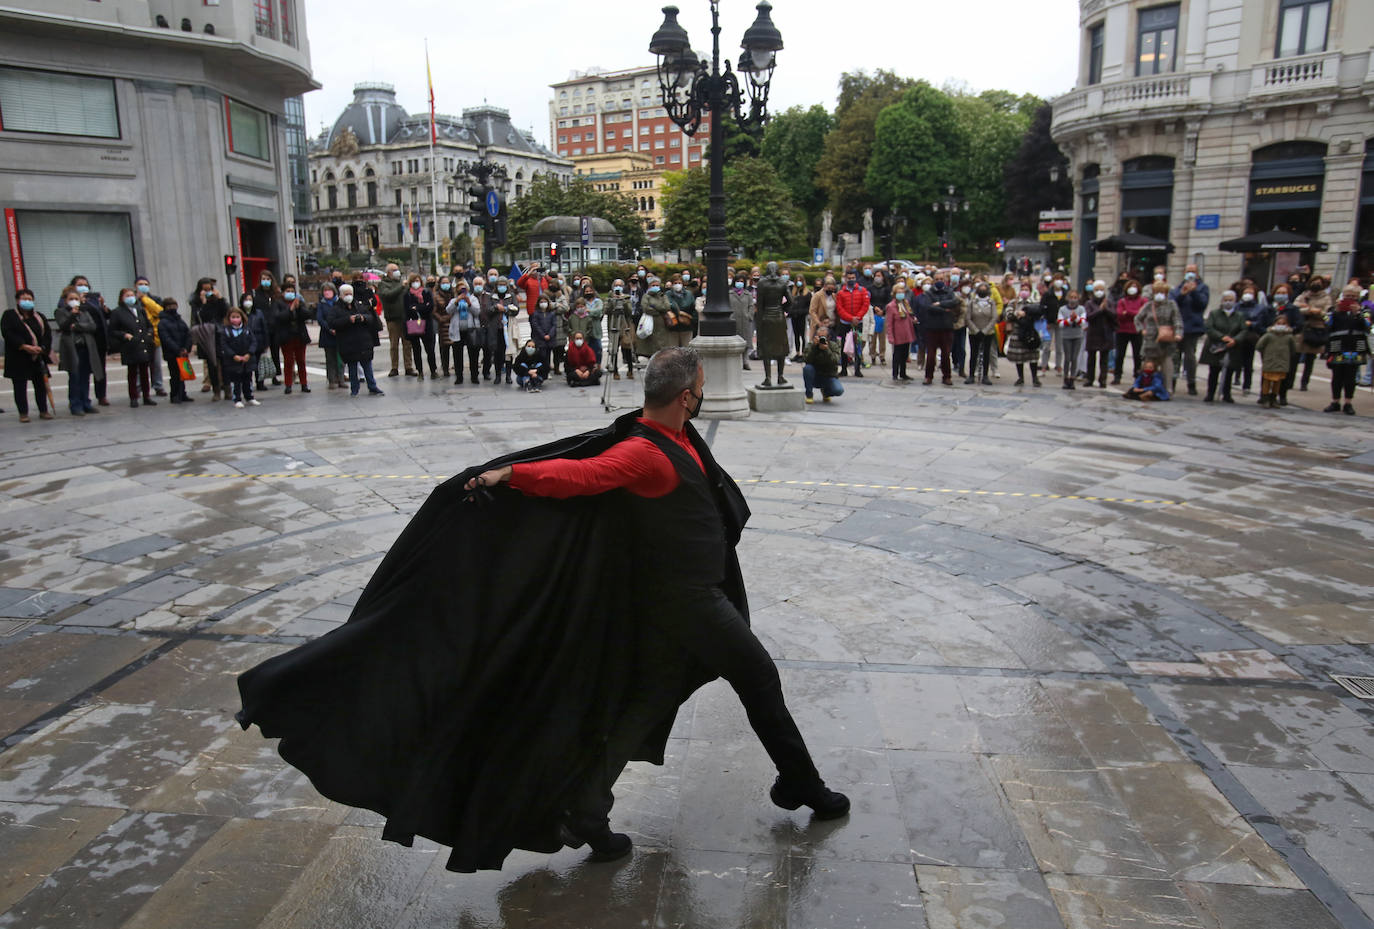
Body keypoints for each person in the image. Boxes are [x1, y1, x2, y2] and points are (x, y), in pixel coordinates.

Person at [3, 289, 53, 421]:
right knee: (20, 387)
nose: (27, 301)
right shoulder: (9, 315)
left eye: (30, 299)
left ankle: (43, 410)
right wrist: (24, 346)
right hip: (19, 356)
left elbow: (47, 334)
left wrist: (42, 349)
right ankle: (23, 413)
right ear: (18, 301)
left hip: (38, 357)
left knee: (41, 385)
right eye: (24, 299)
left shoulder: (39, 317)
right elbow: (8, 333)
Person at [1323, 285, 1370, 415]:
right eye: (1347, 296)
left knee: (1351, 377)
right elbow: (1326, 323)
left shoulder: (1364, 311)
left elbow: (1368, 326)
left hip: (1356, 347)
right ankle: (1335, 401)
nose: (1350, 299)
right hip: (1337, 346)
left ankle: (1348, 403)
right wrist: (1336, 311)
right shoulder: (1333, 310)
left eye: (1353, 297)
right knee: (1337, 376)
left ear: (1358, 297)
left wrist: (1358, 314)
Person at [331, 284, 385, 397]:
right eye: (346, 294)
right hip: (348, 343)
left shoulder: (359, 305)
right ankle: (354, 388)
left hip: (363, 341)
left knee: (367, 366)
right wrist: (347, 320)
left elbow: (370, 317)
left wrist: (363, 318)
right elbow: (332, 322)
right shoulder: (336, 308)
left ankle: (372, 386)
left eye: (350, 294)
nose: (349, 296)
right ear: (341, 295)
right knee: (352, 367)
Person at [107, 287, 158, 408]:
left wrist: (149, 333)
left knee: (145, 372)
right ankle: (134, 397)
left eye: (132, 295)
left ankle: (147, 396)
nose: (130, 298)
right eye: (127, 296)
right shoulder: (117, 312)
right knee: (132, 373)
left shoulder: (140, 310)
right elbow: (113, 330)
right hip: (130, 345)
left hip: (143, 343)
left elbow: (148, 324)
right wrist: (124, 335)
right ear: (122, 298)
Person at [1170, 265, 1209, 395]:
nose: (1190, 274)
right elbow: (1173, 302)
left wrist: (1194, 292)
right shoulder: (1179, 287)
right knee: (1175, 356)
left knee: (1190, 357)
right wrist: (1182, 294)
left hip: (1193, 327)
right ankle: (1172, 381)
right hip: (1177, 327)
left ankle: (1191, 382)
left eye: (1193, 272)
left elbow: (1202, 305)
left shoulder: (1203, 288)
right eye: (1188, 272)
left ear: (1197, 274)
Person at [1203, 290, 1245, 403]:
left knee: (1229, 372)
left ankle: (1227, 394)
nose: (1228, 302)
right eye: (1226, 300)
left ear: (1235, 301)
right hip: (1216, 346)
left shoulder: (1239, 316)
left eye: (1231, 300)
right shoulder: (1214, 313)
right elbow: (1209, 328)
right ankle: (1210, 393)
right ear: (1222, 301)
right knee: (1214, 371)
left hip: (1232, 347)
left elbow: (1243, 330)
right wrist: (1221, 337)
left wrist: (1235, 340)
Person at [1137, 281, 1181, 391]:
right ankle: (1147, 387)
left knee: (1167, 364)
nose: (1159, 294)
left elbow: (1177, 320)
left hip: (1166, 339)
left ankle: (1167, 389)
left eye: (1162, 292)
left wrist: (1178, 333)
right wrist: (1142, 330)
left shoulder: (1171, 304)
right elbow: (1137, 318)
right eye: (1157, 292)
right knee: (1149, 365)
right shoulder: (1148, 305)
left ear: (1166, 293)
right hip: (1151, 340)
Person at [378, 263, 417, 377]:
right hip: (393, 318)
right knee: (394, 345)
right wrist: (401, 287)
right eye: (394, 270)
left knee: (407, 344)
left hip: (405, 318)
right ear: (389, 272)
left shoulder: (401, 282)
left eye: (397, 270)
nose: (397, 272)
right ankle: (394, 367)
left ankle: (408, 366)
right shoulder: (384, 284)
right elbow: (387, 295)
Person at [1294, 275, 1331, 391]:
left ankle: (1304, 383)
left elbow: (1327, 313)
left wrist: (1316, 311)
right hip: (1302, 330)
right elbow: (1295, 309)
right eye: (1314, 282)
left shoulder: (1326, 298)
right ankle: (1289, 381)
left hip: (1316, 330)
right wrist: (1309, 310)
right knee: (1295, 357)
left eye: (1319, 282)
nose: (1316, 284)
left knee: (1310, 359)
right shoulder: (1303, 296)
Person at [1003, 284, 1044, 387]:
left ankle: (1035, 378)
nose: (1024, 291)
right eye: (1022, 289)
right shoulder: (1014, 302)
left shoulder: (1035, 303)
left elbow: (1040, 314)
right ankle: (1020, 377)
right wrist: (1017, 313)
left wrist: (1027, 314)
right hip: (1018, 331)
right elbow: (1008, 315)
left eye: (1027, 289)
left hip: (1031, 331)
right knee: (1019, 356)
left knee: (1033, 356)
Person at [218, 306, 259, 408]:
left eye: (237, 316)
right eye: (233, 317)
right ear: (229, 318)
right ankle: (237, 399)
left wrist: (249, 353)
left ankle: (249, 397)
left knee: (248, 379)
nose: (235, 319)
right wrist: (233, 355)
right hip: (233, 361)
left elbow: (253, 342)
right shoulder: (225, 331)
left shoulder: (247, 329)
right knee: (236, 381)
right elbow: (224, 345)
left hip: (247, 360)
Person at [275, 281, 312, 394]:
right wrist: (290, 309)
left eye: (292, 291)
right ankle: (288, 384)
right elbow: (279, 317)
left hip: (299, 336)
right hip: (287, 337)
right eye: (288, 291)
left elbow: (307, 315)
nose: (290, 293)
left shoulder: (299, 303)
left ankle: (304, 383)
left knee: (301, 361)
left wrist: (298, 308)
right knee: (288, 361)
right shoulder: (279, 304)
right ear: (283, 293)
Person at [156, 298, 194, 404]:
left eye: (174, 305)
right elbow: (166, 338)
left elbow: (188, 334)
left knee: (184, 373)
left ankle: (183, 394)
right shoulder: (162, 322)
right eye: (170, 305)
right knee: (174, 374)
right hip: (172, 353)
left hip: (183, 352)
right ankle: (175, 394)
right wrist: (178, 349)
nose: (173, 307)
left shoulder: (180, 320)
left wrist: (186, 347)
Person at [1254, 313, 1296, 409]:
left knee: (1278, 382)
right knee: (1267, 381)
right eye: (1279, 323)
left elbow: (1293, 349)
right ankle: (1265, 398)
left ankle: (1273, 398)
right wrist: (1266, 354)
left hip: (1282, 362)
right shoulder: (1269, 335)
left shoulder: (1289, 337)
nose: (1281, 325)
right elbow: (1259, 346)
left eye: (1283, 323)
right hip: (1270, 361)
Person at [833, 269, 867, 376]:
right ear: (845, 279)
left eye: (853, 278)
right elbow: (840, 308)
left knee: (858, 346)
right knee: (843, 346)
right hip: (845, 323)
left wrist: (857, 317)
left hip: (858, 322)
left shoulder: (862, 291)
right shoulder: (841, 293)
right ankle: (844, 369)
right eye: (849, 278)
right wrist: (850, 318)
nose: (851, 280)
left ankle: (857, 369)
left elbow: (865, 305)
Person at [252, 271, 284, 386]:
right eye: (263, 278)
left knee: (275, 353)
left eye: (268, 279)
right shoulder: (256, 294)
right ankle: (260, 380)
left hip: (274, 327)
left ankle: (275, 376)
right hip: (261, 327)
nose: (266, 281)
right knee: (260, 354)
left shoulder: (276, 294)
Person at [1111, 278, 1144, 385]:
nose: (1132, 289)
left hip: (1137, 330)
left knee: (1137, 355)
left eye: (1134, 287)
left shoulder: (1143, 300)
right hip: (1122, 330)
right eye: (1130, 287)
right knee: (1119, 354)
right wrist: (1133, 313)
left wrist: (1128, 312)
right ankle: (1117, 375)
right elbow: (1120, 315)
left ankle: (1137, 375)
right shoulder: (1122, 301)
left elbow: (1141, 314)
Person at [315, 282, 345, 389]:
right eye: (325, 290)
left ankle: (341, 378)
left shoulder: (339, 302)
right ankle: (332, 379)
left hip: (339, 334)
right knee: (330, 359)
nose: (327, 292)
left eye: (329, 290)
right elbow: (320, 319)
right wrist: (330, 328)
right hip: (327, 335)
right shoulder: (321, 305)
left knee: (340, 359)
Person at [802, 326, 844, 403]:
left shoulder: (833, 346)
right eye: (819, 337)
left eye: (823, 337)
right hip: (814, 376)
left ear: (828, 337)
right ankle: (809, 394)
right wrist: (814, 348)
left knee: (838, 390)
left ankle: (826, 392)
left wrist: (826, 350)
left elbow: (835, 361)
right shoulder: (811, 345)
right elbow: (806, 359)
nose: (821, 339)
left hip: (828, 376)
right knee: (807, 368)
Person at [886, 283, 916, 383]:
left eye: (902, 292)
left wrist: (913, 319)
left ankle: (903, 373)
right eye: (899, 292)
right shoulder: (891, 306)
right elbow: (889, 323)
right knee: (897, 355)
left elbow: (909, 316)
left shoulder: (905, 303)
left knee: (904, 355)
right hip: (897, 334)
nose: (901, 294)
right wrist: (890, 336)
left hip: (907, 333)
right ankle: (895, 374)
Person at [1057, 291, 1085, 390]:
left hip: (1077, 335)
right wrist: (1069, 320)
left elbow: (1083, 322)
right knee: (1067, 358)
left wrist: (1076, 318)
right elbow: (1060, 323)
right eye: (1071, 297)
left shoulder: (1081, 309)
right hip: (1066, 336)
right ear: (1068, 298)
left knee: (1074, 358)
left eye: (1075, 297)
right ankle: (1066, 378)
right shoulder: (1062, 309)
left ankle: (1072, 378)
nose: (1073, 299)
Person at [730, 274, 754, 370]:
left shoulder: (748, 294)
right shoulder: (730, 294)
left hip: (745, 321)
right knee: (735, 342)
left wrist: (749, 316)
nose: (740, 283)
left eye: (741, 281)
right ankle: (736, 362)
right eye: (738, 281)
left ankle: (745, 361)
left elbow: (751, 306)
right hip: (733, 320)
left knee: (746, 342)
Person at [433, 276, 455, 380]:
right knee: (444, 348)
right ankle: (445, 368)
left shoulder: (453, 295)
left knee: (456, 347)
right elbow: (434, 311)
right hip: (443, 325)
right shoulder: (436, 296)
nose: (446, 285)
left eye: (447, 282)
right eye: (443, 283)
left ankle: (457, 367)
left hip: (454, 324)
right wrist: (441, 319)